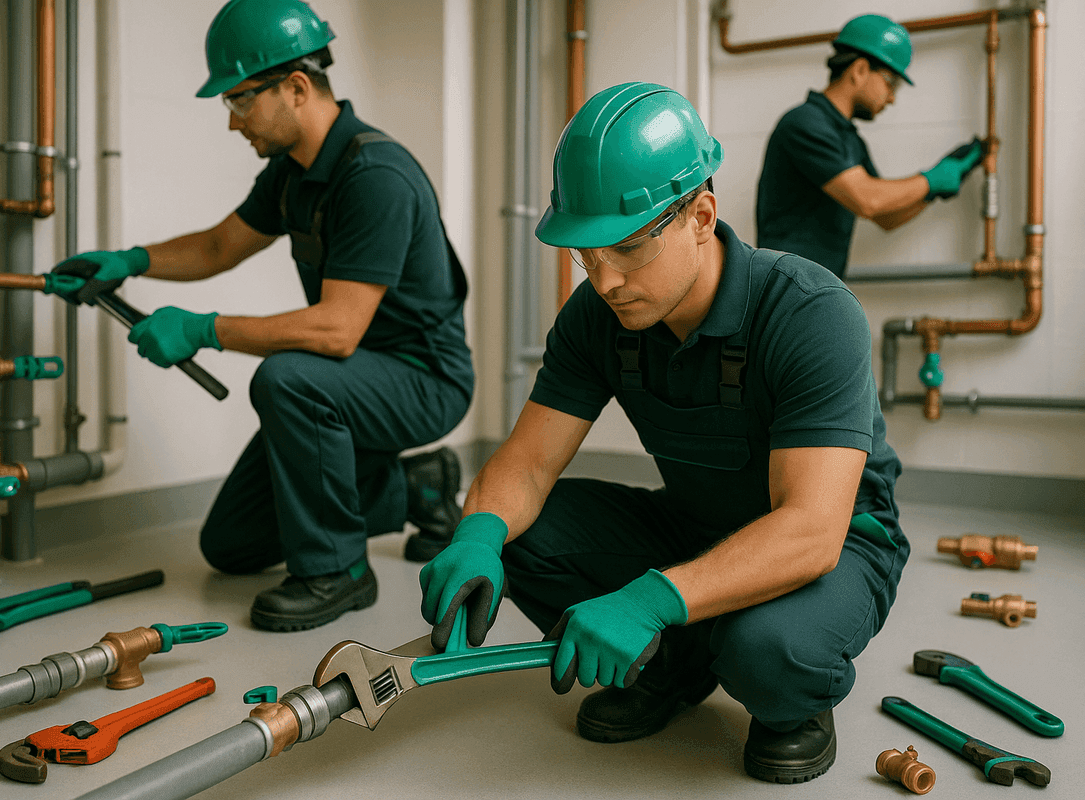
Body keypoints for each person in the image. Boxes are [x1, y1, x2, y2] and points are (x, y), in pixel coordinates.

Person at [419, 82, 906, 785]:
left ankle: (789, 704)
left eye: (625, 250)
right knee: (515, 531)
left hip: (835, 543)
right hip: (696, 524)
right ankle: (672, 667)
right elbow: (525, 465)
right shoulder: (598, 317)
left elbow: (810, 529)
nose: (605, 280)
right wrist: (476, 536)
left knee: (764, 650)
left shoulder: (808, 313)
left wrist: (648, 598)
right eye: (585, 255)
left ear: (702, 216)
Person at [46, 0, 473, 632]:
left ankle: (339, 571)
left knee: (287, 378)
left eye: (241, 100)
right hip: (354, 377)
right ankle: (419, 487)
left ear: (297, 87)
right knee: (232, 545)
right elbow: (221, 245)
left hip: (422, 379)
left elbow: (335, 330)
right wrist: (129, 260)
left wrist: (201, 329)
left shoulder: (375, 176)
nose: (232, 122)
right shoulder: (293, 173)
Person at [756, 13, 984, 279]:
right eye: (891, 83)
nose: (892, 99)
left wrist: (940, 183)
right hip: (784, 288)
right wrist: (931, 180)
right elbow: (868, 200)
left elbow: (886, 217)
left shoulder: (849, 139)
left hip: (816, 287)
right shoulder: (804, 123)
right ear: (860, 70)